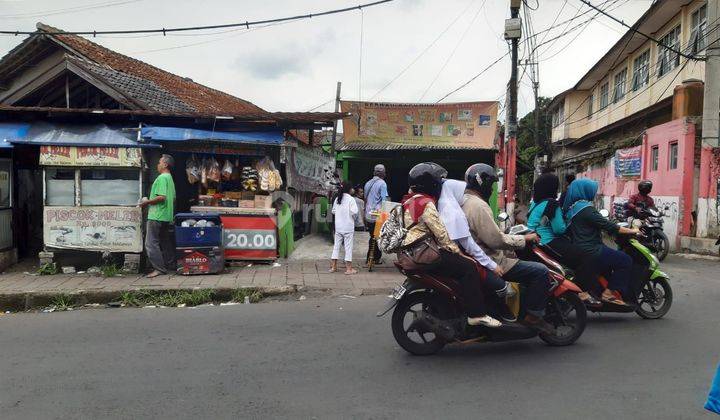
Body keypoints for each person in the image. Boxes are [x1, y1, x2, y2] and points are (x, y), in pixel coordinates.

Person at [403, 163, 501, 328]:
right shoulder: (430, 205)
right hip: (426, 253)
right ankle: (477, 314)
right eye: (440, 182)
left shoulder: (411, 200)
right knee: (469, 267)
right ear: (432, 184)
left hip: (413, 251)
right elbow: (443, 236)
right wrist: (459, 253)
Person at [461, 163, 555, 334]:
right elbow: (495, 240)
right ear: (483, 184)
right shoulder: (478, 206)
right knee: (540, 271)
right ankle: (533, 317)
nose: (491, 190)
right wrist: (524, 238)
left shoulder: (465, 201)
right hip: (491, 259)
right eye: (490, 185)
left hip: (478, 255)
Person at [437, 179, 516, 321]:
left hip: (449, 254)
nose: (464, 196)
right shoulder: (454, 212)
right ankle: (481, 315)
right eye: (461, 192)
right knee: (499, 285)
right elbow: (469, 245)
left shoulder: (443, 207)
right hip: (460, 255)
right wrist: (492, 265)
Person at [526, 173, 601, 307]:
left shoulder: (535, 203)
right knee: (587, 256)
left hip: (535, 241)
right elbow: (559, 229)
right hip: (548, 242)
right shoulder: (551, 203)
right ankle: (582, 292)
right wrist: (569, 222)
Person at [563, 178, 640, 305]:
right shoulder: (586, 209)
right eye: (593, 190)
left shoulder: (572, 207)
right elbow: (609, 226)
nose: (594, 193)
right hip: (592, 249)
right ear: (585, 191)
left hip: (579, 248)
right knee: (625, 260)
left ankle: (601, 290)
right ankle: (608, 294)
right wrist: (633, 231)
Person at [139, 154, 176, 278]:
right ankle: (170, 265)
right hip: (166, 215)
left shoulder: (162, 178)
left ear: (165, 164)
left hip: (157, 215)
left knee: (150, 243)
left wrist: (146, 202)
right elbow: (173, 198)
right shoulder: (170, 178)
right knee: (165, 241)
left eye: (159, 162)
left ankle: (159, 268)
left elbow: (161, 197)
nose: (157, 164)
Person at [330, 181, 359, 275]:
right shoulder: (351, 199)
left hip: (338, 226)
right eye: (352, 188)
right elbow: (354, 212)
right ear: (349, 189)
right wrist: (353, 220)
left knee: (336, 246)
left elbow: (333, 211)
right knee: (348, 247)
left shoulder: (338, 198)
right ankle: (349, 269)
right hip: (348, 227)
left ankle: (333, 267)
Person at [364, 164, 388, 265]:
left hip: (368, 215)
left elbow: (365, 199)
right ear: (383, 173)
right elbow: (384, 201)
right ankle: (375, 258)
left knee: (372, 236)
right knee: (378, 236)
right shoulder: (382, 183)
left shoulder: (367, 183)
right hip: (378, 214)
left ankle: (370, 257)